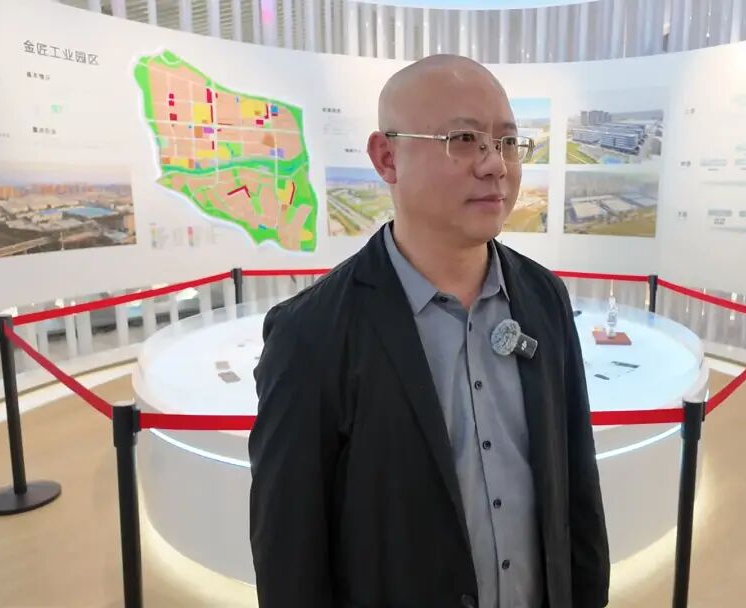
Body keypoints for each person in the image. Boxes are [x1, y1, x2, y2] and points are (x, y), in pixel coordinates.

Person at [248, 54, 609, 608]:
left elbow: (576, 483)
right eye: (464, 140)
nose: (495, 165)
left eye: (507, 142)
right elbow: (289, 557)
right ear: (387, 158)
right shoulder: (311, 335)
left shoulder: (544, 298)